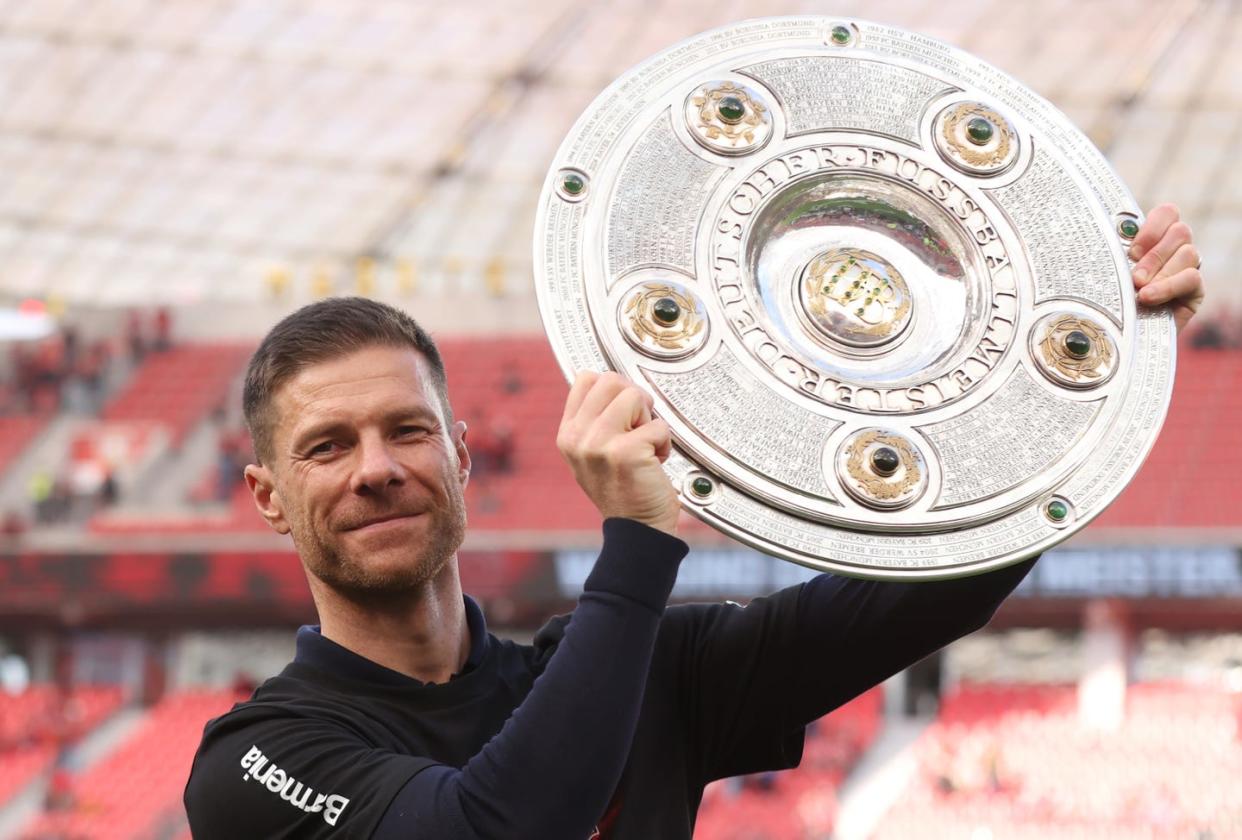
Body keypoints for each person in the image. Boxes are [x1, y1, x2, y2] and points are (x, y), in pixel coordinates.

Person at [183, 206, 1204, 838]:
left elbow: (928, 594)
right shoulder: (259, 762)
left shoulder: (651, 671)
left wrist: (1093, 364)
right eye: (326, 447)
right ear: (268, 496)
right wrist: (635, 547)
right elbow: (503, 829)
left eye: (406, 431)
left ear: (458, 453)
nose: (375, 469)